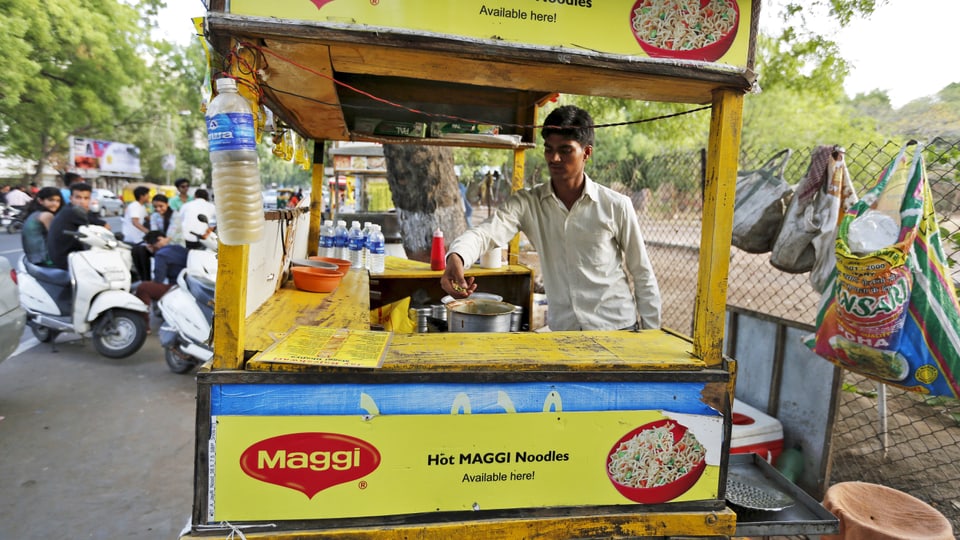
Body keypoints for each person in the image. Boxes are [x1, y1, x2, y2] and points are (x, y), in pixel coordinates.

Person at [440, 105, 661, 331]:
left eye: (565, 150)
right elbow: (485, 233)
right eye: (549, 149)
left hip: (617, 329)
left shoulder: (616, 206)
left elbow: (642, 273)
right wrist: (457, 257)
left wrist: (652, 335)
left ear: (586, 153)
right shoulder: (528, 203)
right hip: (565, 332)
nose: (554, 158)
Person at [134, 231, 189, 327]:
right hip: (187, 284)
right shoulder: (178, 248)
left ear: (158, 240)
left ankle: (143, 326)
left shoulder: (161, 255)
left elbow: (159, 279)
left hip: (175, 287)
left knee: (143, 287)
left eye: (149, 245)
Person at [47, 182, 98, 270]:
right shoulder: (72, 212)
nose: (82, 202)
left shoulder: (81, 212)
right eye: (78, 197)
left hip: (74, 256)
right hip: (67, 260)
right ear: (71, 198)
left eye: (86, 198)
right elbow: (105, 226)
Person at [20, 187, 63, 266]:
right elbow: (57, 238)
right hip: (45, 260)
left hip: (33, 258)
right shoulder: (47, 215)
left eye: (58, 201)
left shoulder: (35, 214)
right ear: (40, 201)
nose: (55, 204)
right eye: (51, 200)